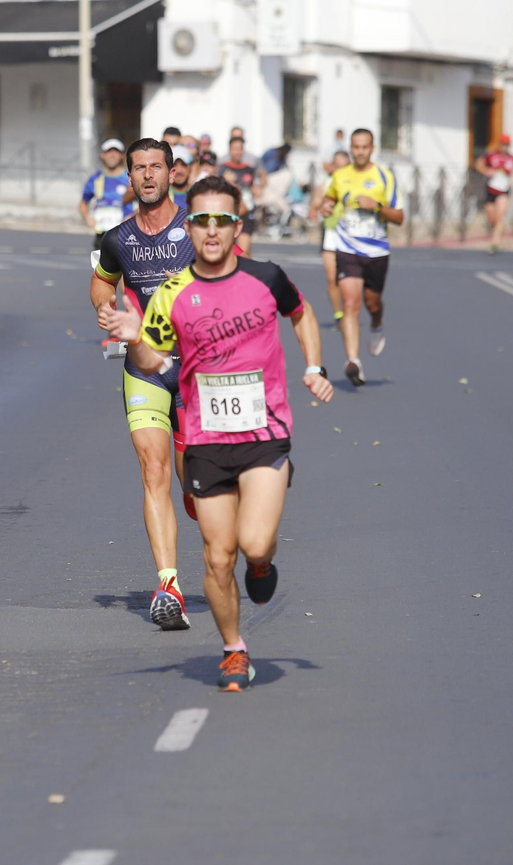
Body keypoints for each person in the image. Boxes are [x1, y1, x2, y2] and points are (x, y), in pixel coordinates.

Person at [102, 174, 334, 691]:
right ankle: (233, 649)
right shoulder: (173, 292)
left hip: (262, 430)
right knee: (216, 554)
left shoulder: (266, 277)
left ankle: (262, 564)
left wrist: (314, 366)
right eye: (201, 220)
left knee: (253, 545)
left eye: (221, 221)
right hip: (206, 439)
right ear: (190, 227)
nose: (211, 230)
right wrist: (134, 339)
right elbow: (153, 359)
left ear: (237, 226)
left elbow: (303, 313)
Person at [91, 138, 196, 631]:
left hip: (198, 373)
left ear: (173, 173)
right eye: (140, 168)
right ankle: (168, 586)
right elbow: (100, 282)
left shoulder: (198, 230)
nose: (149, 175)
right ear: (129, 177)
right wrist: (106, 312)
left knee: (194, 492)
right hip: (144, 368)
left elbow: (237, 283)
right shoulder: (117, 239)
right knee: (153, 471)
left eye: (157, 167)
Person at [318, 128, 403, 386]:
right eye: (356, 147)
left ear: (372, 148)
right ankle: (353, 361)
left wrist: (376, 207)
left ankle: (377, 323)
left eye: (364, 147)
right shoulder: (340, 175)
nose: (360, 152)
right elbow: (328, 199)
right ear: (351, 148)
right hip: (348, 248)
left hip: (377, 251)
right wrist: (325, 206)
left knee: (372, 302)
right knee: (351, 303)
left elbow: (399, 217)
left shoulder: (384, 177)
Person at [319, 148, 353, 324]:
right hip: (331, 233)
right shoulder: (326, 184)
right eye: (337, 166)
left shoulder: (354, 183)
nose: (340, 170)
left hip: (351, 234)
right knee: (332, 277)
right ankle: (339, 314)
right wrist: (320, 208)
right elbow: (316, 204)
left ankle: (349, 310)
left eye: (344, 166)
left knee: (348, 279)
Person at [475, 135, 513, 254]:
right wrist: (487, 171)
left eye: (507, 144)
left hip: (503, 190)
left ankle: (494, 244)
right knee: (492, 219)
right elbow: (478, 164)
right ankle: (496, 231)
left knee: (500, 216)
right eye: (503, 144)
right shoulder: (491, 155)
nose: (504, 147)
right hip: (491, 189)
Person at [82, 138, 134, 246]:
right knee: (99, 263)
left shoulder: (130, 178)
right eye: (109, 151)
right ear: (102, 155)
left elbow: (145, 203)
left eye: (116, 152)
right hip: (102, 235)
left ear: (121, 156)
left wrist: (132, 216)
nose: (112, 155)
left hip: (125, 235)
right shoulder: (95, 178)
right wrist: (87, 217)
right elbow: (83, 202)